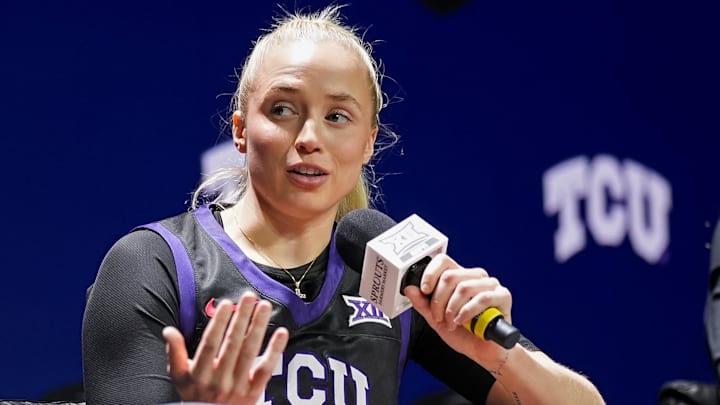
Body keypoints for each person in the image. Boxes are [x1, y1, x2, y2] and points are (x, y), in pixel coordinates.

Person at [81, 5, 606, 404]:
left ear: (369, 140)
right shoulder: (153, 264)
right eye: (283, 109)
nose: (309, 137)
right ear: (241, 130)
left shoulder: (398, 284)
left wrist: (500, 358)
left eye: (338, 117)